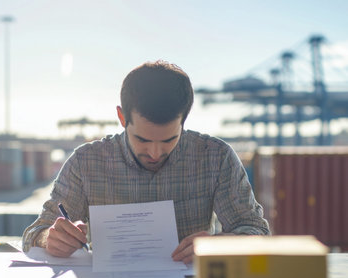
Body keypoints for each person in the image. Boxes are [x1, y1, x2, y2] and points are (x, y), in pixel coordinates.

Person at [23, 60, 270, 263]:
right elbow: (33, 234)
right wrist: (50, 238)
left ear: (184, 119)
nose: (154, 152)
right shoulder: (85, 163)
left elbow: (256, 231)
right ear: (121, 117)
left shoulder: (216, 157)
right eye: (142, 139)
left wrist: (218, 246)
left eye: (168, 140)